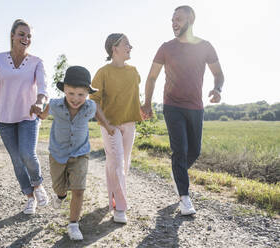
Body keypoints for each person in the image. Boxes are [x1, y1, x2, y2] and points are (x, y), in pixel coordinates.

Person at [141, 5, 225, 215]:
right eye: (172, 20)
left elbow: (218, 74)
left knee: (194, 151)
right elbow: (152, 77)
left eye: (178, 19)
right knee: (180, 150)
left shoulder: (205, 46)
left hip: (196, 106)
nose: (174, 23)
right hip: (172, 105)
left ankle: (178, 173)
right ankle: (185, 198)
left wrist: (217, 89)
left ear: (191, 19)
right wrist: (147, 103)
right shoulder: (166, 47)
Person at [0, 19, 49, 215]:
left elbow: (43, 87)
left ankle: (38, 186)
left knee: (28, 154)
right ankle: (30, 198)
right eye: (22, 34)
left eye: (29, 35)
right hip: (4, 118)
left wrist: (39, 102)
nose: (25, 38)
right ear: (12, 35)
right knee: (16, 160)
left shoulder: (37, 62)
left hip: (28, 116)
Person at [31, 66, 114, 240]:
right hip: (58, 152)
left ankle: (73, 224)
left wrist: (107, 125)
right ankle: (60, 195)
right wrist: (37, 112)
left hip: (80, 153)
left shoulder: (90, 106)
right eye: (71, 93)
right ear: (64, 90)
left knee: (78, 189)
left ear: (87, 94)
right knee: (58, 186)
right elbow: (44, 115)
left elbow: (98, 109)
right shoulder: (54, 104)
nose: (76, 99)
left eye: (81, 95)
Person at [90, 33, 143, 224]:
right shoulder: (102, 72)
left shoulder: (134, 72)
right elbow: (94, 102)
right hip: (110, 125)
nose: (131, 47)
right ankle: (120, 208)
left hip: (130, 124)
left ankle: (113, 199)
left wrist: (141, 110)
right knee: (117, 163)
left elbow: (132, 99)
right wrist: (106, 123)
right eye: (126, 44)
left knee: (122, 164)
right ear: (115, 48)